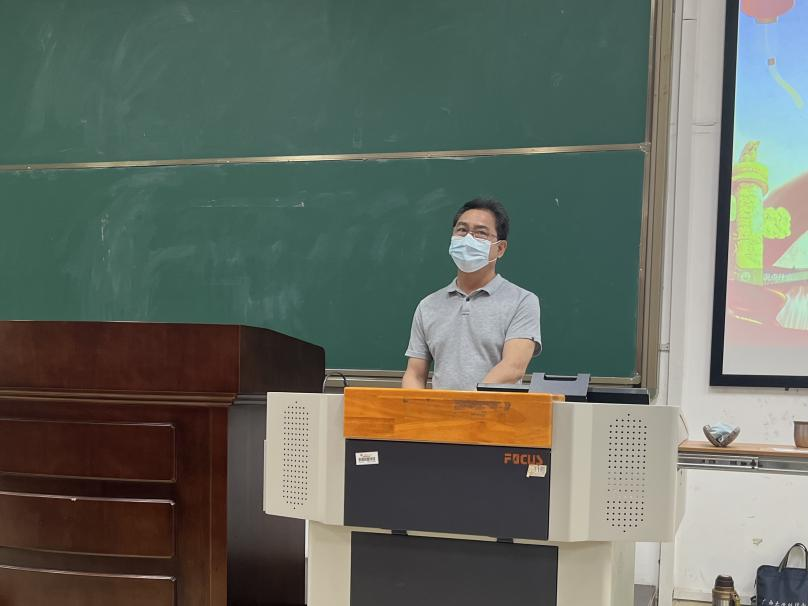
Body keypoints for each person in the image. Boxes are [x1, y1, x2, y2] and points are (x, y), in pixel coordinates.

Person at [402, 198, 541, 391]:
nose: (468, 239)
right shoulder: (428, 306)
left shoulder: (522, 301)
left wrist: (467, 403)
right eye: (462, 230)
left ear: (500, 249)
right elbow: (415, 374)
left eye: (481, 233)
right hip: (439, 410)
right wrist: (413, 404)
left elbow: (513, 368)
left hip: (495, 409)